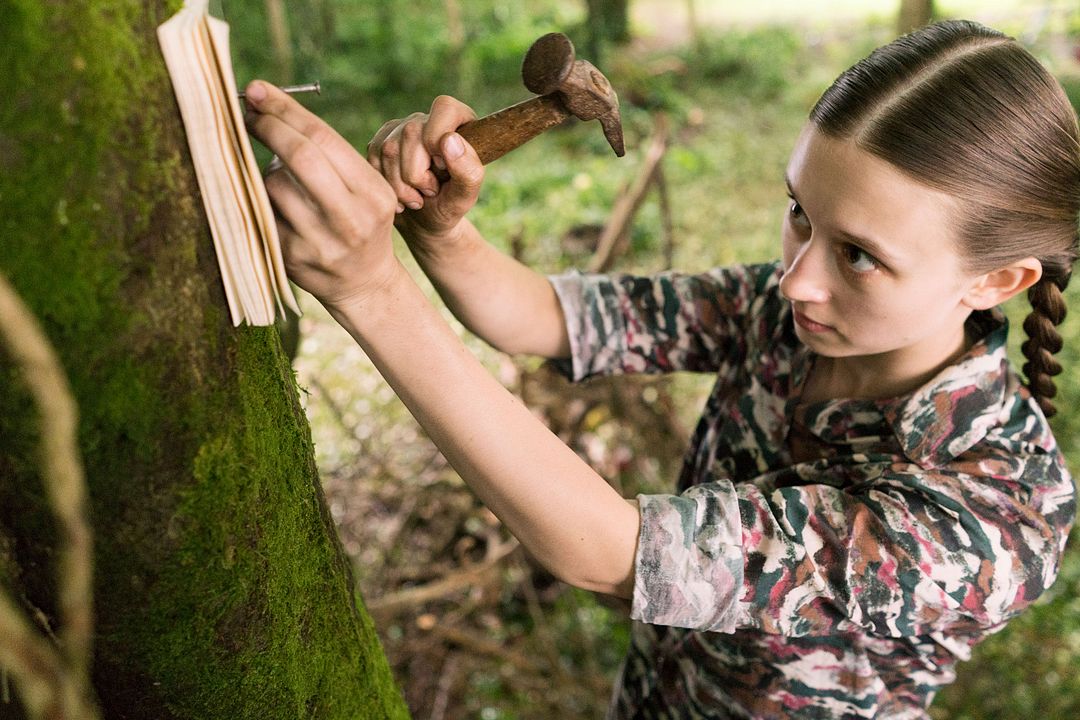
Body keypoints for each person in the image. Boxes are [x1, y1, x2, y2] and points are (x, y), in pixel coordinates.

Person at [244, 19, 1077, 719]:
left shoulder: (995, 514)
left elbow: (609, 551)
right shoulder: (787, 316)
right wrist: (441, 234)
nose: (798, 277)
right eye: (798, 213)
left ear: (997, 281)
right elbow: (546, 318)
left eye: (859, 255)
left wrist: (373, 290)